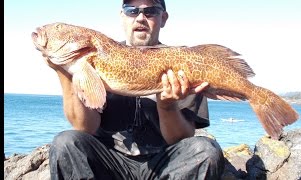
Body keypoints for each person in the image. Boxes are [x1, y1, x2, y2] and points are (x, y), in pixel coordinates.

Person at [47, 0, 225, 179]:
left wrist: (167, 106)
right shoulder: (96, 57)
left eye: (151, 11)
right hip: (110, 163)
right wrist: (64, 72)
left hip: (164, 164)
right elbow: (85, 127)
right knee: (65, 143)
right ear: (122, 16)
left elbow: (182, 139)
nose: (140, 18)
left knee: (205, 150)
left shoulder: (183, 64)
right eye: (132, 10)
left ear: (163, 18)